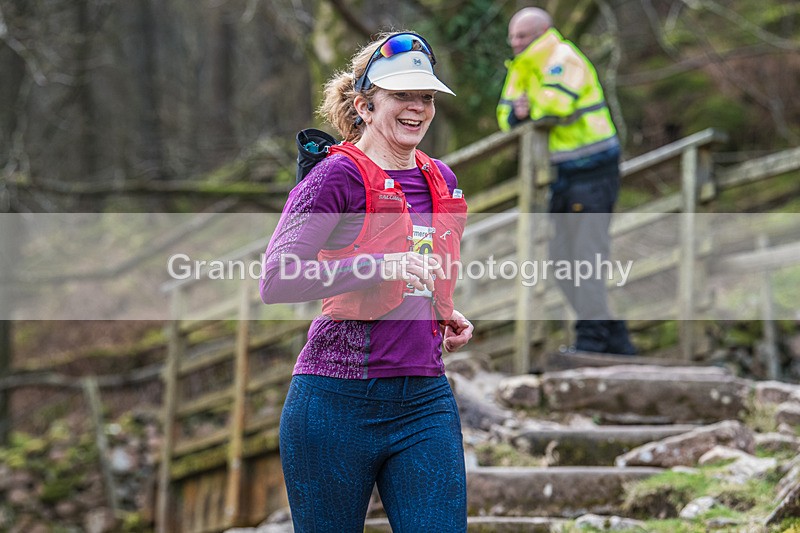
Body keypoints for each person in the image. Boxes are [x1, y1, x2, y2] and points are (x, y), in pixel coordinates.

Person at [260, 31, 473, 532]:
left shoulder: (439, 177)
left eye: (426, 97)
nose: (417, 108)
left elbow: (417, 271)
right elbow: (277, 278)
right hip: (334, 401)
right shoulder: (335, 176)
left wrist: (441, 310)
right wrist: (381, 266)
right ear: (366, 104)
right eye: (402, 95)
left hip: (424, 398)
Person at [497, 7, 637, 355]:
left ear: (543, 32)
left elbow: (556, 105)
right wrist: (519, 111)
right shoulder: (522, 67)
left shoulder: (564, 57)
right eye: (512, 36)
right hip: (559, 176)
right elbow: (505, 115)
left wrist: (528, 108)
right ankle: (616, 342)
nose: (515, 43)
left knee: (585, 258)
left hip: (592, 170)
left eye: (522, 36)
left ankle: (591, 343)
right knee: (561, 262)